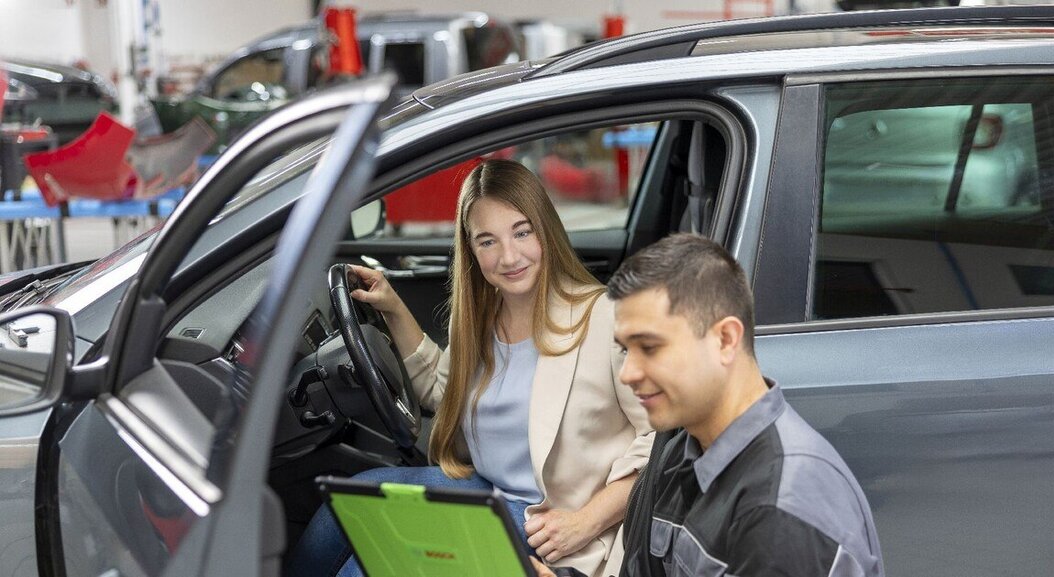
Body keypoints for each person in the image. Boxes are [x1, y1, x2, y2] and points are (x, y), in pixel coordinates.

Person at [286, 158, 653, 577]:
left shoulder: (605, 316)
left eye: (522, 232)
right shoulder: (481, 317)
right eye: (488, 241)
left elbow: (662, 440)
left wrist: (587, 520)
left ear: (545, 230)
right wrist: (393, 308)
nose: (508, 256)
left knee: (368, 566)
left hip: (552, 522)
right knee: (346, 506)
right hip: (488, 491)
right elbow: (445, 392)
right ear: (471, 250)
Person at [536, 233, 883, 577]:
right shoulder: (680, 455)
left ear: (726, 339)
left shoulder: (782, 507)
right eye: (626, 350)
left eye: (651, 348)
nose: (628, 373)